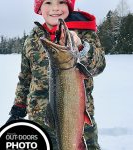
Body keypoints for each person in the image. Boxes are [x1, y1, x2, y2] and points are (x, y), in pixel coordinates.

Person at [8, 0, 106, 149]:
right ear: (40, 8)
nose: (55, 8)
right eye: (48, 2)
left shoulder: (84, 34)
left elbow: (98, 66)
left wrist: (80, 46)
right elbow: (25, 78)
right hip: (40, 120)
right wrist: (19, 106)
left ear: (69, 6)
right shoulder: (31, 41)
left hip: (76, 119)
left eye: (61, 2)